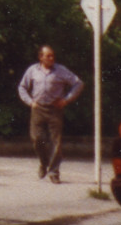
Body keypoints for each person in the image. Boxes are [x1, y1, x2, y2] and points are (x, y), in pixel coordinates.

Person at [18, 45, 84, 183]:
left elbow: (78, 83)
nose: (51, 58)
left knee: (55, 141)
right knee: (37, 139)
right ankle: (43, 163)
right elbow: (22, 87)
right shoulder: (32, 70)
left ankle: (54, 172)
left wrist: (66, 100)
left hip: (55, 109)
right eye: (48, 56)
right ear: (40, 57)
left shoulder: (61, 70)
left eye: (52, 55)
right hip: (38, 108)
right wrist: (30, 102)